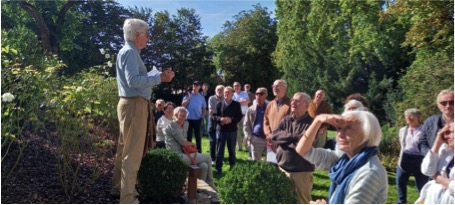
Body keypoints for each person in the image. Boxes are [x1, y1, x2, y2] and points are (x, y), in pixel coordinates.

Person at [112, 18, 175, 204]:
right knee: (133, 154)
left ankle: (119, 190)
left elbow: (134, 80)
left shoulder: (128, 52)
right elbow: (134, 81)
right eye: (146, 35)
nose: (148, 38)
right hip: (134, 106)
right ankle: (128, 199)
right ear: (138, 35)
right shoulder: (131, 53)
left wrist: (154, 77)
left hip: (129, 104)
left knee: (123, 150)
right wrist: (159, 78)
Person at [295, 111, 388, 204]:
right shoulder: (343, 161)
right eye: (339, 128)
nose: (340, 134)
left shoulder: (369, 172)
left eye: (348, 128)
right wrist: (318, 120)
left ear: (367, 133)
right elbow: (303, 151)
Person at [271, 92, 316, 203]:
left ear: (306, 105)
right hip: (283, 168)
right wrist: (294, 137)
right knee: (283, 200)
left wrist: (285, 138)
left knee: (302, 201)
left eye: (297, 101)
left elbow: (305, 143)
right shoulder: (286, 120)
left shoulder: (311, 123)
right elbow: (275, 135)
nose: (293, 103)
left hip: (301, 172)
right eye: (292, 100)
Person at [163, 107, 216, 189]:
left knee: (204, 165)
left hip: (185, 153)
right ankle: (210, 182)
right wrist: (193, 144)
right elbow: (182, 142)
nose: (184, 113)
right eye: (181, 111)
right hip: (177, 156)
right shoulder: (173, 125)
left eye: (185, 112)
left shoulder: (186, 124)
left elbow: (184, 141)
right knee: (208, 157)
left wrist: (190, 145)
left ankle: (200, 188)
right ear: (176, 114)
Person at [395, 108, 428, 204]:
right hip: (404, 159)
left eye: (411, 115)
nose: (408, 117)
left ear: (418, 117)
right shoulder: (403, 130)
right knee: (400, 181)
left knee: (422, 185)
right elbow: (402, 144)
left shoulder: (424, 129)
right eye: (406, 116)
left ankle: (422, 202)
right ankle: (401, 201)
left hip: (420, 159)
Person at [416, 121, 454, 204]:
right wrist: (437, 143)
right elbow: (427, 171)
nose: (446, 136)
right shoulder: (445, 149)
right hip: (433, 199)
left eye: (451, 132)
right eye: (445, 133)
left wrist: (438, 178)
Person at [213, 86, 243, 174]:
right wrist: (220, 119)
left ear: (232, 94)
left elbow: (239, 116)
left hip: (232, 130)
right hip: (221, 130)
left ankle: (232, 168)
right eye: (225, 92)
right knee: (219, 151)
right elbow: (214, 116)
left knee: (232, 150)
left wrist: (231, 120)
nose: (226, 94)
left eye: (228, 92)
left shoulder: (236, 104)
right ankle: (218, 169)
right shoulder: (219, 104)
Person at [419, 89, 454, 156]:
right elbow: (422, 144)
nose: (448, 106)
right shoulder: (429, 122)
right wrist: (432, 156)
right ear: (438, 105)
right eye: (444, 103)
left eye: (452, 102)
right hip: (435, 163)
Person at [264, 79, 291, 163]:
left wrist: (278, 138)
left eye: (277, 86)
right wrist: (269, 135)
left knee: (283, 166)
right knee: (271, 164)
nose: (275, 88)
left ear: (285, 88)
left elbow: (292, 124)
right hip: (271, 141)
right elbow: (265, 121)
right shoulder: (270, 104)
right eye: (273, 86)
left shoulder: (291, 104)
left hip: (285, 142)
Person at [243, 87, 269, 161]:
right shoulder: (251, 109)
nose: (258, 96)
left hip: (269, 139)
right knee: (256, 163)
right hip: (256, 139)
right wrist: (249, 137)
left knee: (271, 162)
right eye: (257, 94)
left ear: (266, 95)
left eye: (261, 94)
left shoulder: (270, 108)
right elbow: (246, 124)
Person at [182, 81, 207, 153]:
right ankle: (188, 152)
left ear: (199, 87)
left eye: (197, 85)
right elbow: (183, 105)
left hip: (198, 120)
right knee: (188, 137)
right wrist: (189, 98)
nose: (195, 86)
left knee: (198, 137)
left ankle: (199, 152)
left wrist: (202, 117)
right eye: (194, 85)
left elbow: (204, 108)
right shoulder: (187, 95)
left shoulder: (201, 97)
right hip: (188, 119)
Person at [207, 85, 224, 162]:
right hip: (212, 120)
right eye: (218, 89)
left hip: (221, 121)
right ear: (215, 90)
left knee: (220, 139)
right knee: (212, 140)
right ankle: (212, 158)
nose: (219, 91)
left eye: (221, 90)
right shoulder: (212, 98)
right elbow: (211, 111)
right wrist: (220, 114)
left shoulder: (225, 99)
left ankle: (220, 157)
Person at [233, 82, 250, 152]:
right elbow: (233, 104)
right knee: (237, 132)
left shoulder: (244, 93)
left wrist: (237, 103)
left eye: (237, 85)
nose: (236, 87)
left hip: (244, 115)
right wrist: (242, 102)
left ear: (240, 86)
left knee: (246, 131)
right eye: (235, 86)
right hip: (236, 116)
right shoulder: (233, 95)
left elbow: (248, 101)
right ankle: (239, 147)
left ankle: (246, 146)